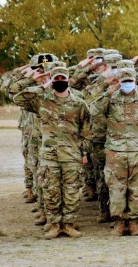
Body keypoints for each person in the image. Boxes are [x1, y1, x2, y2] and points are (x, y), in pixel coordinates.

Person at [13, 64, 89, 239]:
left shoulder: (79, 103)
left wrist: (84, 154)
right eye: (57, 79)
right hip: (49, 155)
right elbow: (18, 98)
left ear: (68, 80)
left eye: (63, 78)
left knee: (71, 192)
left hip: (72, 155)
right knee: (51, 191)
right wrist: (41, 85)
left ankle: (68, 225)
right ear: (52, 80)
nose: (60, 81)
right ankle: (54, 224)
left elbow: (86, 131)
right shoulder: (42, 100)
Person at [90, 68, 138, 236]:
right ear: (118, 82)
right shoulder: (110, 99)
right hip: (115, 150)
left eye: (130, 81)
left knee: (137, 188)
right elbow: (93, 111)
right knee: (116, 187)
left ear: (135, 81)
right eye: (124, 81)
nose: (127, 84)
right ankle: (119, 222)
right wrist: (108, 92)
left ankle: (134, 222)